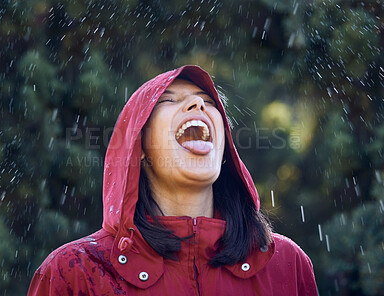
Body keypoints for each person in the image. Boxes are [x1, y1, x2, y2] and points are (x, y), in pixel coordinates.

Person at [28, 65, 318, 295]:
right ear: (137, 148)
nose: (198, 105)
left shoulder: (286, 264)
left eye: (208, 101)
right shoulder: (74, 272)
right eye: (169, 100)